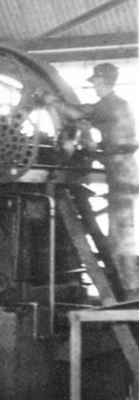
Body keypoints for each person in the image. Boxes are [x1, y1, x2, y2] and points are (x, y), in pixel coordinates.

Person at [49, 63, 138, 299]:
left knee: (121, 235)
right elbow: (88, 124)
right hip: (120, 167)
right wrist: (88, 142)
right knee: (119, 233)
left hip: (122, 170)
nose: (95, 88)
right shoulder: (113, 106)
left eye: (97, 83)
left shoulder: (112, 105)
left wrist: (53, 102)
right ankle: (127, 289)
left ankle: (131, 293)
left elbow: (81, 113)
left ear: (106, 82)